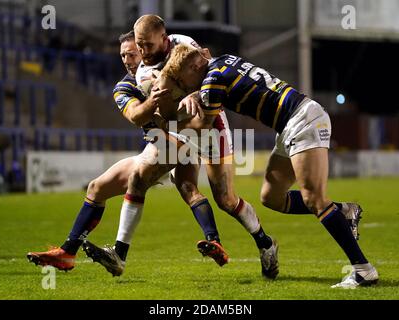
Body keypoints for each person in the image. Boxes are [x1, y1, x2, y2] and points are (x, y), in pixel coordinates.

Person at [159, 44, 378, 289]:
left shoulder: (211, 80)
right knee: (271, 197)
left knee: (314, 199)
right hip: (291, 124)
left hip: (302, 120)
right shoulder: (224, 62)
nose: (184, 84)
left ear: (194, 66)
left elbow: (203, 125)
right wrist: (195, 94)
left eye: (182, 78)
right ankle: (343, 211)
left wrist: (166, 121)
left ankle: (363, 270)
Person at [85, 15, 280, 279]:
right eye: (139, 46)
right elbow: (165, 116)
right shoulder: (143, 72)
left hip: (211, 125)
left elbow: (210, 74)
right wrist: (161, 107)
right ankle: (119, 254)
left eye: (148, 46)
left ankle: (265, 243)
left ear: (164, 40)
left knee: (226, 200)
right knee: (139, 179)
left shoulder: (184, 44)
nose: (143, 52)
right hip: (181, 130)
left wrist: (194, 94)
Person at [26, 31, 226, 275]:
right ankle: (68, 253)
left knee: (181, 186)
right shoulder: (125, 86)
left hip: (185, 138)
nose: (127, 59)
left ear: (144, 52)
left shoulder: (172, 71)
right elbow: (134, 116)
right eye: (122, 55)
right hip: (158, 144)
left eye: (132, 53)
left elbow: (204, 72)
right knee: (96, 188)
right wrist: (153, 102)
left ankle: (123, 253)